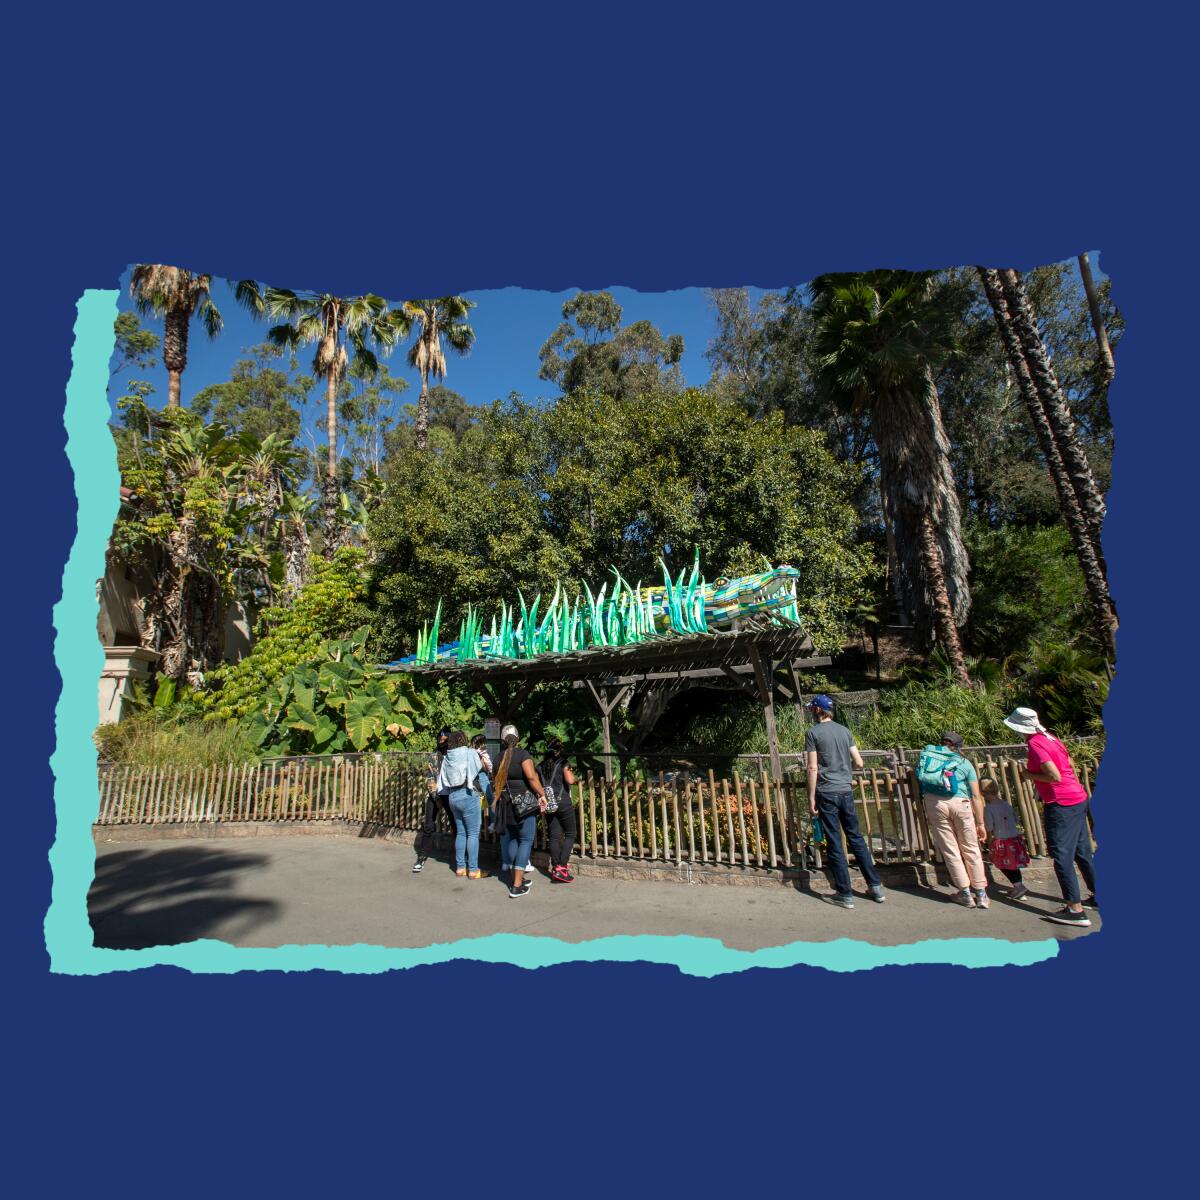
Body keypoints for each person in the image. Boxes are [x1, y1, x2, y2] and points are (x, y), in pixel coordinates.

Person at [1003, 706, 1096, 927]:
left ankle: (1075, 909)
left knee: (1062, 855)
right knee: (1082, 851)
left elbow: (1053, 775)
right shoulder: (1050, 738)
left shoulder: (1035, 744)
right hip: (1077, 796)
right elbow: (1069, 765)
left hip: (1061, 802)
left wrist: (1028, 774)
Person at [804, 695, 885, 909]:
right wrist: (844, 770)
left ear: (818, 711)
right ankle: (875, 886)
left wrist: (811, 796)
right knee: (856, 838)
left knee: (834, 842)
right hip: (845, 789)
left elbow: (812, 768)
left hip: (826, 791)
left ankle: (844, 893)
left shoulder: (813, 733)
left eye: (813, 709)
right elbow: (859, 762)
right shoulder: (845, 731)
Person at [917, 731, 990, 908]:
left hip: (935, 803)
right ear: (958, 746)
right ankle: (981, 894)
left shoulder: (928, 757)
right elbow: (976, 795)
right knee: (971, 848)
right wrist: (980, 823)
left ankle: (965, 893)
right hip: (961, 804)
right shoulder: (964, 763)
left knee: (951, 850)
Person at [492, 725, 547, 899]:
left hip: (506, 804)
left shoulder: (498, 758)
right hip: (523, 805)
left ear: (502, 740)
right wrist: (542, 794)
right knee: (526, 840)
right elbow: (531, 777)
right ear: (518, 739)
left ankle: (517, 878)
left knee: (514, 840)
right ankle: (516, 886)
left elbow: (495, 782)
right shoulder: (523, 755)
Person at [438, 731, 486, 878]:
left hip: (452, 796)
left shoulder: (447, 757)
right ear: (464, 740)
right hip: (468, 794)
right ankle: (473, 870)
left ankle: (460, 868)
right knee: (472, 834)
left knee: (461, 832)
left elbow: (443, 778)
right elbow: (479, 768)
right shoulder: (470, 752)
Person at [982, 778, 1031, 901]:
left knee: (1002, 864)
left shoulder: (989, 808)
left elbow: (989, 826)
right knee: (1014, 865)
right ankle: (1018, 886)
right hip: (1015, 838)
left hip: (1002, 840)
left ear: (983, 793)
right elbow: (1016, 819)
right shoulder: (1006, 804)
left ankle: (1019, 886)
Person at [413, 727, 454, 873]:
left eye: (444, 739)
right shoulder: (434, 756)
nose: (441, 741)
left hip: (450, 794)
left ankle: (460, 857)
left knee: (456, 825)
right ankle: (422, 856)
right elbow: (430, 777)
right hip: (434, 794)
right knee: (429, 825)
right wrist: (435, 796)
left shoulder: (453, 755)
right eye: (440, 739)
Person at [539, 737, 578, 883]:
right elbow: (570, 780)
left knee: (554, 836)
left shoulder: (540, 766)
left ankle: (555, 867)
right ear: (559, 750)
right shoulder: (564, 763)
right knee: (570, 833)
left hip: (549, 803)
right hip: (563, 803)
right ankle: (562, 866)